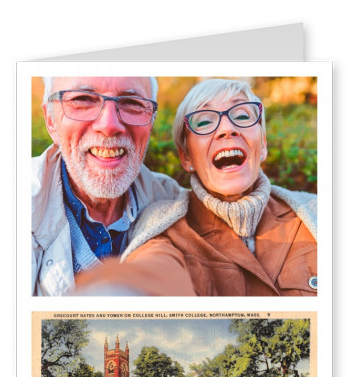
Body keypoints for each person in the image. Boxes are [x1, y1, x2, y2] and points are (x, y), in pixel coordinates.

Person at [75, 78, 317, 296]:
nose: (227, 129)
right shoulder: (164, 229)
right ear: (186, 157)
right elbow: (153, 271)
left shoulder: (316, 213)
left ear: (262, 144)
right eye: (204, 121)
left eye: (242, 116)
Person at [32, 76, 187, 296]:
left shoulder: (175, 204)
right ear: (50, 120)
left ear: (151, 121)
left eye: (132, 103)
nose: (109, 126)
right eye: (83, 99)